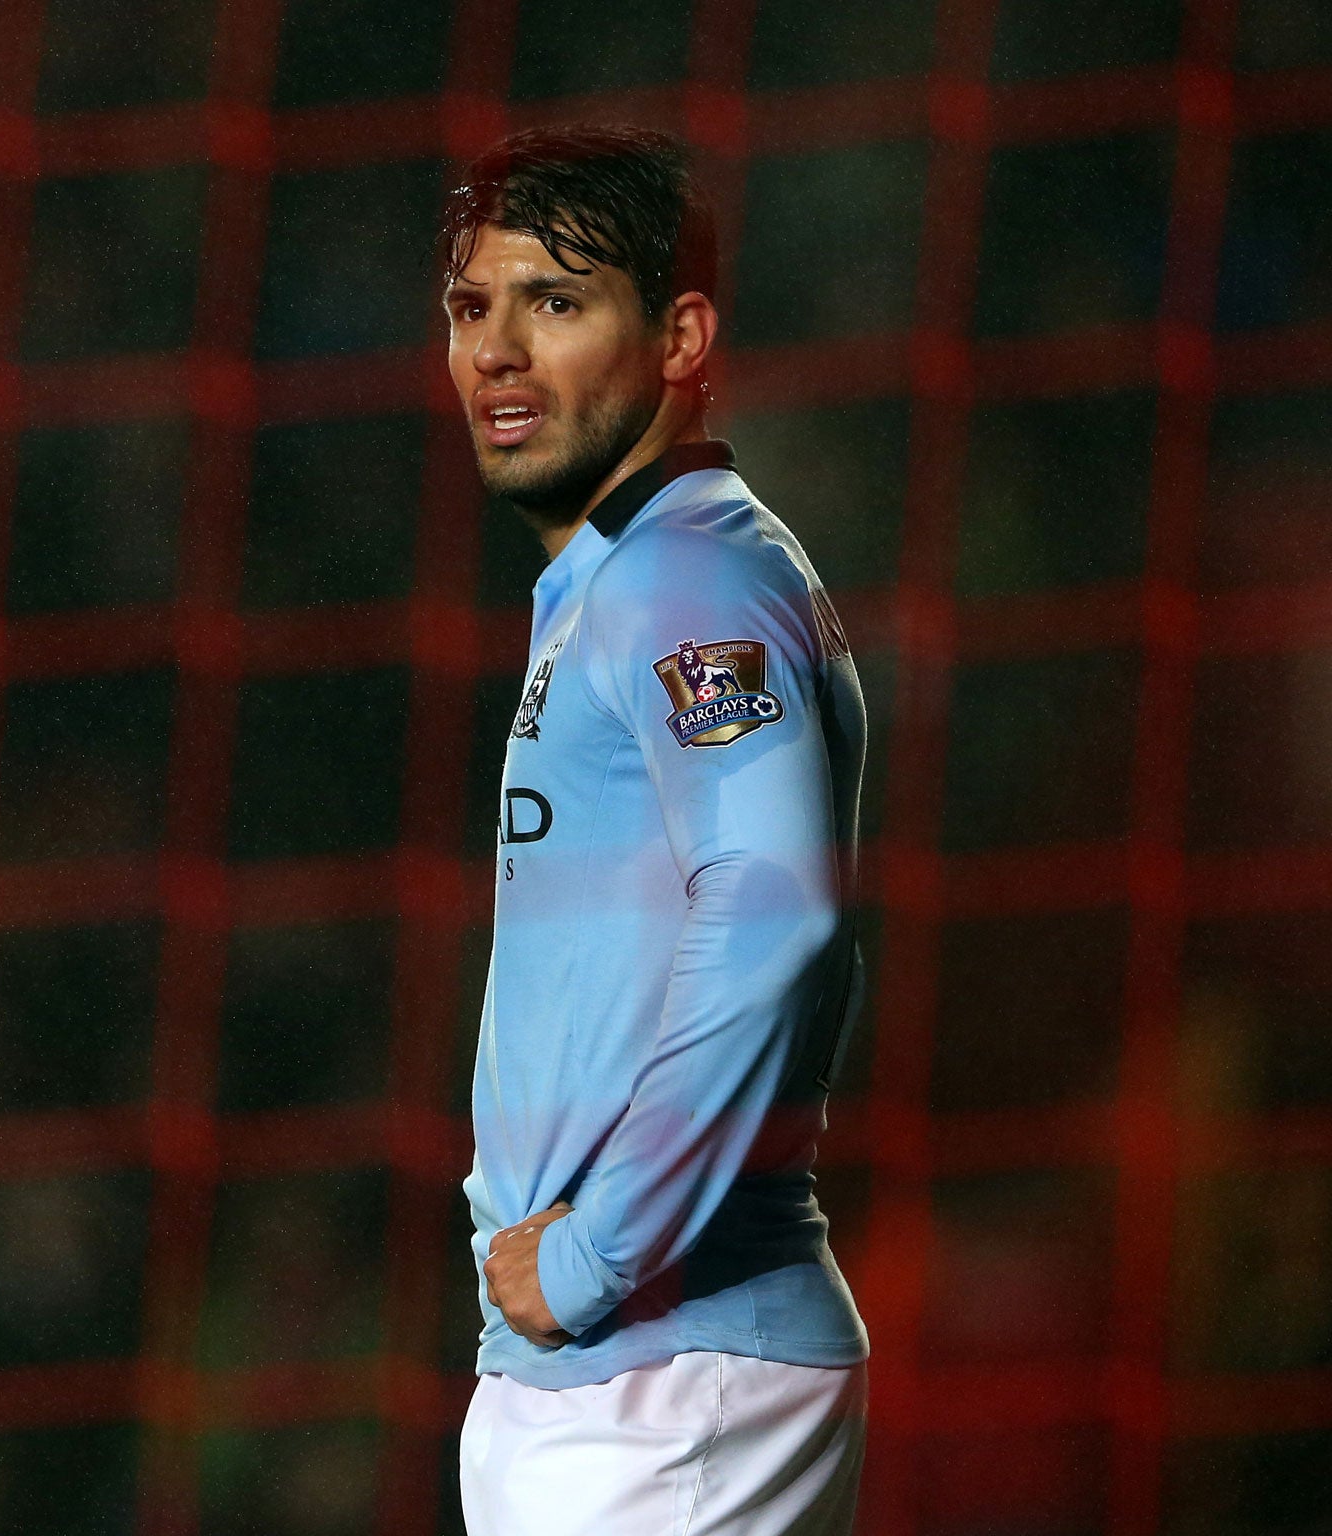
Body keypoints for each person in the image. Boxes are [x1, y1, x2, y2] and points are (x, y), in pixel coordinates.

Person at [444, 124, 871, 1535]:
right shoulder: (621, 580)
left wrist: (593, 1258)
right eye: (471, 308)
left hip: (663, 1375)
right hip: (616, 1380)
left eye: (554, 303)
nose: (498, 349)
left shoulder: (690, 578)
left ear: (683, 336)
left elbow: (772, 906)